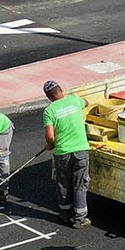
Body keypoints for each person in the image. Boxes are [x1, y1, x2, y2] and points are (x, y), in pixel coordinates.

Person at [42, 81, 91, 228]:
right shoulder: (74, 100)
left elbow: (50, 136)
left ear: (48, 97)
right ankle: (79, 219)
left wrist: (50, 146)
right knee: (80, 184)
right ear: (61, 90)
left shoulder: (49, 111)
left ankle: (64, 215)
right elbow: (86, 102)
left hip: (62, 152)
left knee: (63, 183)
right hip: (80, 150)